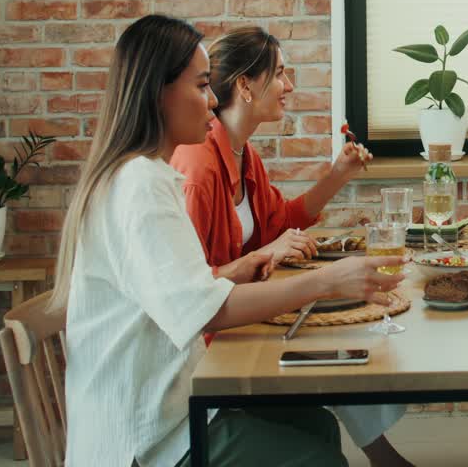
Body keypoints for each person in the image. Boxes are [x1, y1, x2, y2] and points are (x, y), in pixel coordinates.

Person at [53, 15, 404, 467]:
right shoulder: (145, 184)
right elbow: (206, 309)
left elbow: (201, 279)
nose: (211, 100)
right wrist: (328, 281)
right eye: (201, 86)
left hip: (176, 399)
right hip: (145, 438)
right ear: (159, 92)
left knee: (316, 424)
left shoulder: (148, 174)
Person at [169, 25, 411, 467]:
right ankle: (385, 458)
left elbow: (284, 222)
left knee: (342, 337)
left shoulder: (243, 155)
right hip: (213, 341)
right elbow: (187, 289)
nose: (289, 86)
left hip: (238, 318)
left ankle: (384, 457)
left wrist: (338, 174)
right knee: (337, 340)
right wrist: (262, 256)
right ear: (245, 85)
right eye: (280, 74)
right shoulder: (199, 166)